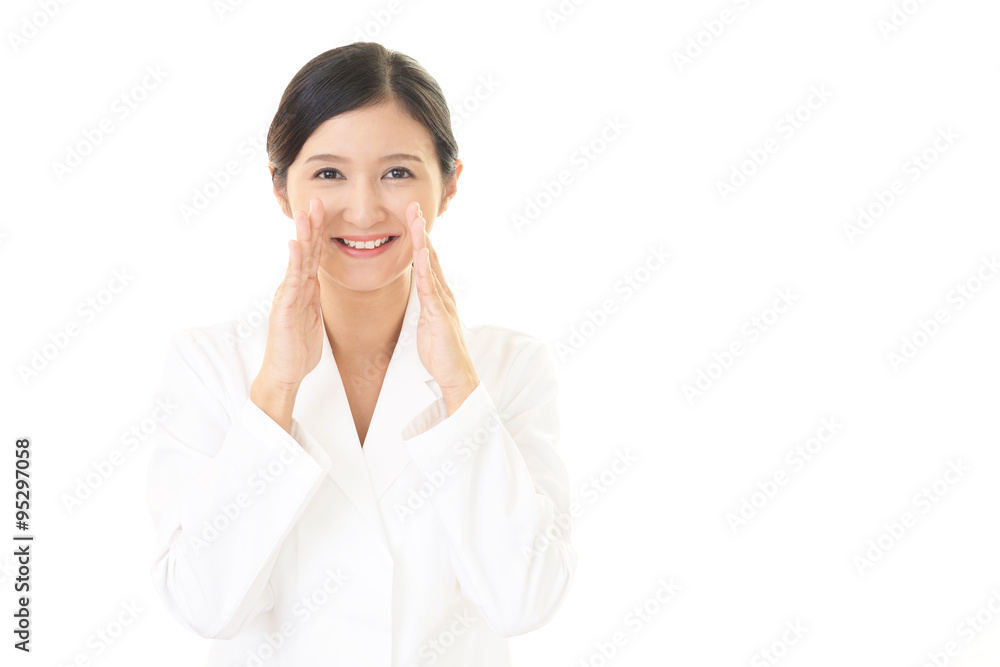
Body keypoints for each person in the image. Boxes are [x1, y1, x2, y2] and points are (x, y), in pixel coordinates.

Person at [144, 42, 577, 666]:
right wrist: (276, 390)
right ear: (280, 188)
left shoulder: (510, 367)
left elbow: (524, 603)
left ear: (450, 184)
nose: (365, 209)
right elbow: (203, 606)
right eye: (329, 174)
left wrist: (460, 390)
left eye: (397, 172)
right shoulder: (210, 365)